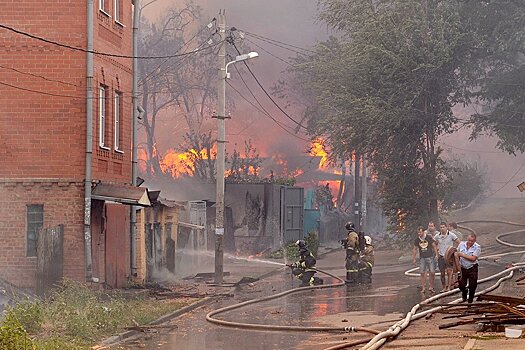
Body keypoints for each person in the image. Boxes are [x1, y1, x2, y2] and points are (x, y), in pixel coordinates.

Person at [434, 221, 460, 291]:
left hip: (449, 256)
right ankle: (444, 287)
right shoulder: (437, 236)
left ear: (446, 227)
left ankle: (449, 287)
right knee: (442, 273)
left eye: (443, 227)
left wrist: (455, 251)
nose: (442, 229)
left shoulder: (451, 235)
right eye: (441, 227)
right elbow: (433, 243)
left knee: (449, 272)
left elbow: (458, 242)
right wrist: (436, 253)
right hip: (441, 256)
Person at [456, 234, 481, 303]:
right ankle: (464, 292)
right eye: (469, 240)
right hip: (462, 268)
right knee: (461, 285)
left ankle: (470, 301)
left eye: (472, 241)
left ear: (475, 241)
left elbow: (473, 258)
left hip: (472, 268)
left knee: (472, 286)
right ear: (467, 239)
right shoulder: (461, 244)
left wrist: (463, 255)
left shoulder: (477, 247)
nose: (470, 242)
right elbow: (456, 254)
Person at [413, 226, 438, 293]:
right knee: (422, 273)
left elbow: (434, 245)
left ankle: (431, 286)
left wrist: (436, 254)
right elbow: (415, 249)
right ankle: (423, 287)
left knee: (432, 272)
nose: (419, 234)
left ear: (423, 231)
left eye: (420, 232)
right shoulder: (417, 240)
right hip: (422, 258)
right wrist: (414, 258)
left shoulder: (428, 238)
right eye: (418, 232)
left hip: (430, 257)